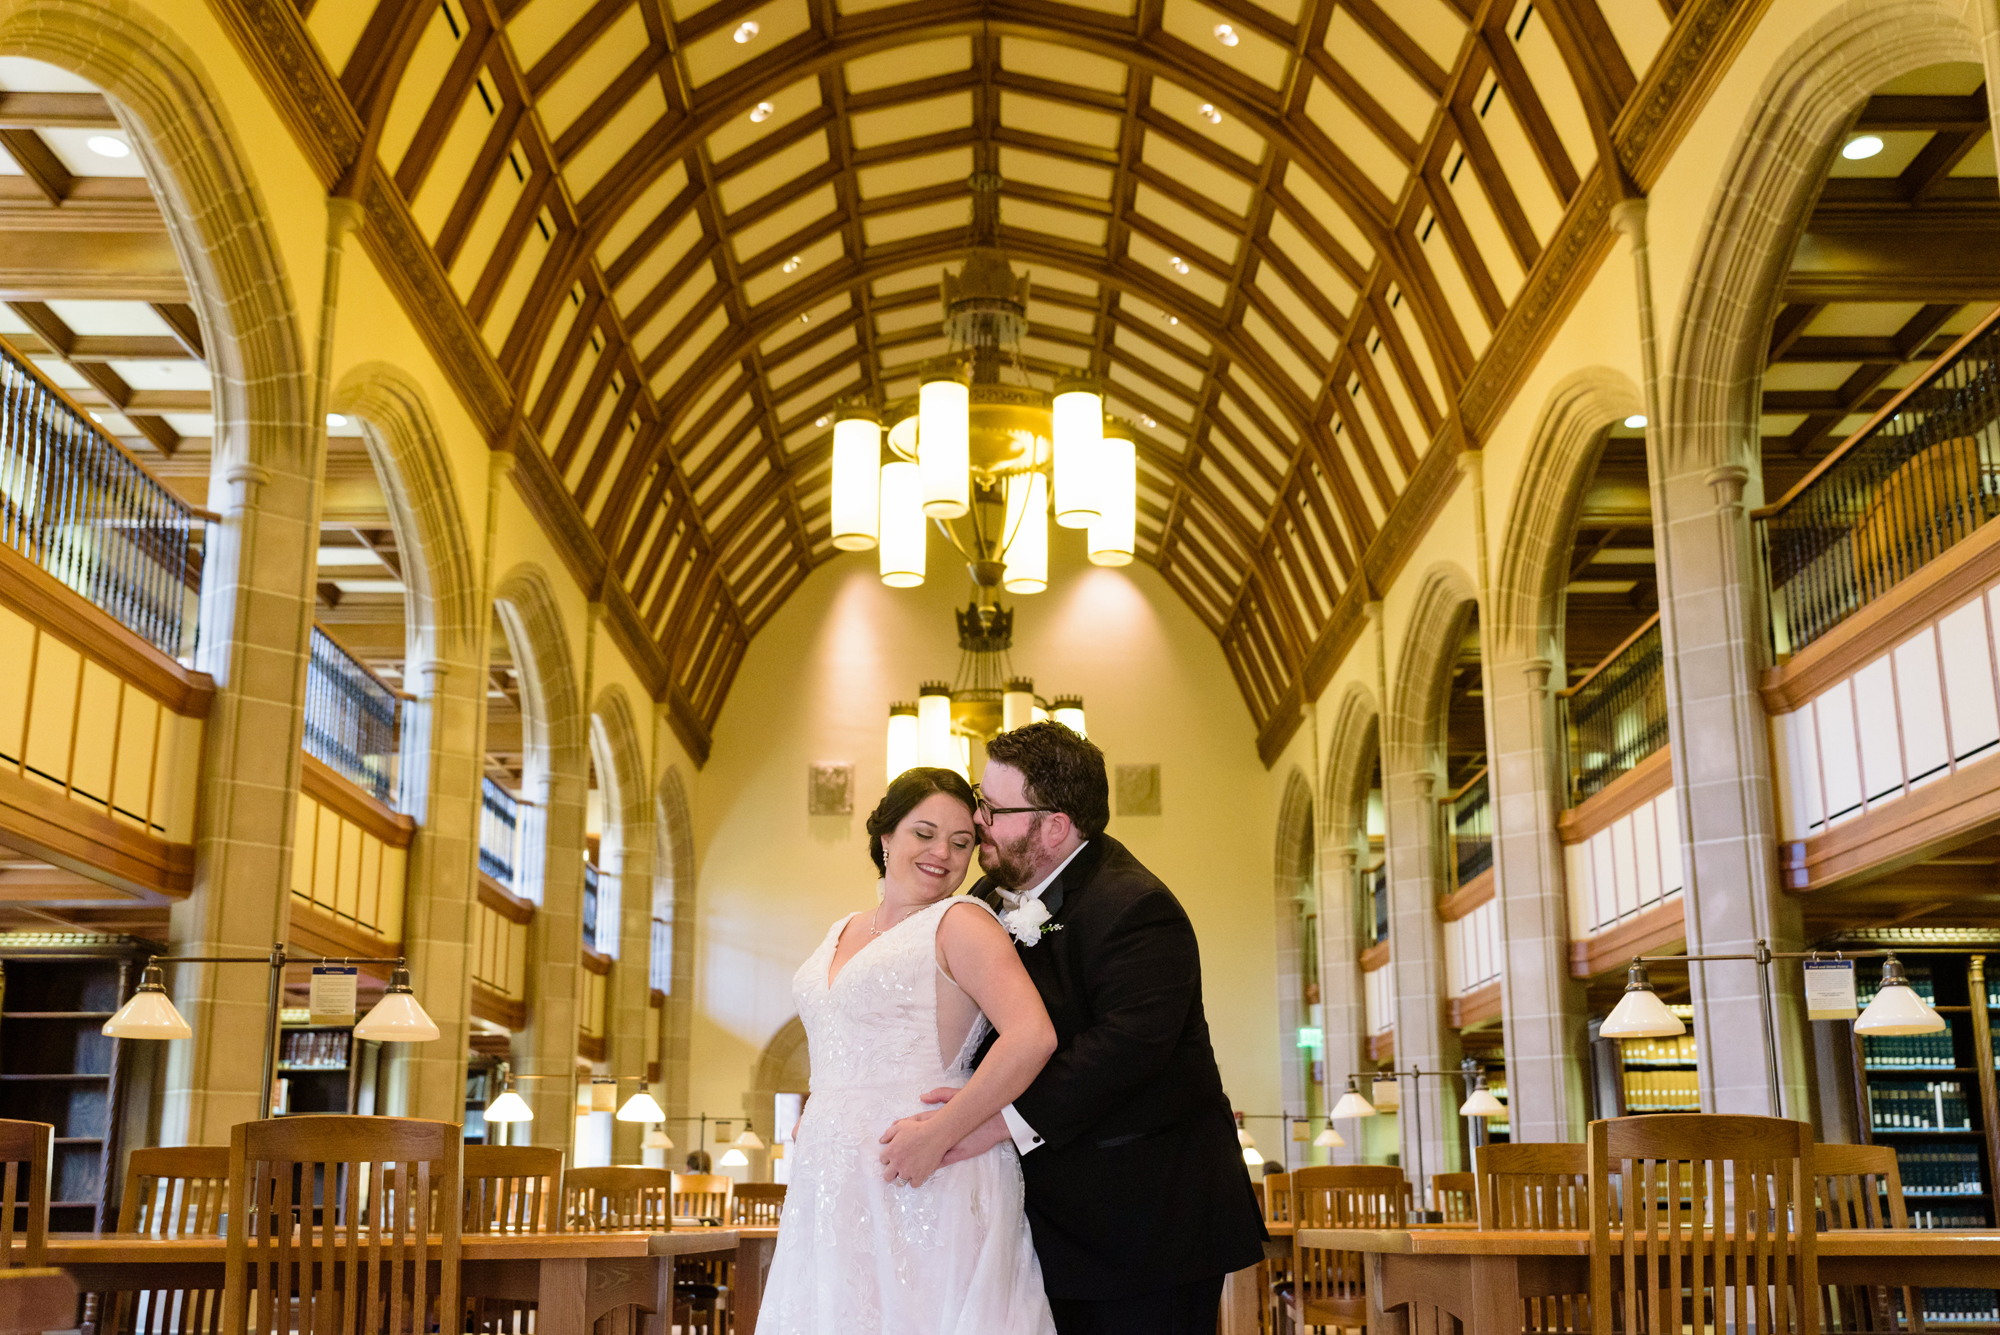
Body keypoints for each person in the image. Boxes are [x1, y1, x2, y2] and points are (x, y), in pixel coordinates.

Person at [881, 722, 1267, 1333]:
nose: (977, 821)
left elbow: (1127, 1048)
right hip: (1045, 1227)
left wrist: (992, 1124)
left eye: (993, 809)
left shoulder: (1137, 907)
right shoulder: (988, 894)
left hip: (1144, 1225)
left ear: (1054, 826)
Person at [757, 767, 1060, 1334]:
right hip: (834, 1176)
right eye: (924, 833)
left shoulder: (961, 922)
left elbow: (1032, 1035)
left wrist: (945, 1131)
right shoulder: (841, 928)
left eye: (962, 842)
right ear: (886, 837)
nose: (942, 853)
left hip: (927, 1171)